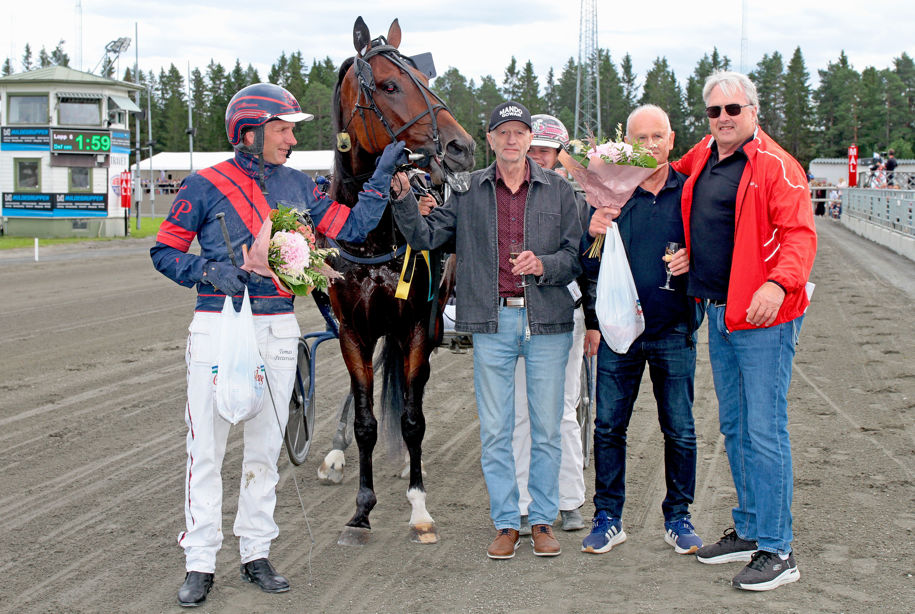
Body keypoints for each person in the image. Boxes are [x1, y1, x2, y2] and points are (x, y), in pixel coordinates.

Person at [150, 82, 407, 607]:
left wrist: (380, 176)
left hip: (279, 328)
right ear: (250, 132)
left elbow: (352, 227)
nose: (292, 138)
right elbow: (164, 251)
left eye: (292, 129)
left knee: (266, 449)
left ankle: (256, 552)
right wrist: (211, 271)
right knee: (206, 451)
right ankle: (200, 561)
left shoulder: (299, 185)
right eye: (283, 129)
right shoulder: (203, 184)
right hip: (218, 325)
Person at [390, 101, 582, 559]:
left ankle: (542, 521)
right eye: (503, 132)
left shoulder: (559, 190)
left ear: (530, 139)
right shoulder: (467, 191)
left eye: (519, 132)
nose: (512, 140)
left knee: (547, 429)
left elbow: (575, 257)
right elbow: (425, 236)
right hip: (493, 323)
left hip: (547, 322)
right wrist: (402, 199)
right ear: (491, 139)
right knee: (496, 430)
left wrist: (544, 264)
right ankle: (506, 523)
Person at [672, 71, 816, 591]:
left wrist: (778, 284)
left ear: (753, 111)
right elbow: (658, 172)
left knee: (764, 430)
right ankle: (752, 529)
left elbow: (800, 235)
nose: (724, 118)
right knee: (735, 427)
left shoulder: (776, 165)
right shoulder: (704, 155)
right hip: (720, 312)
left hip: (764, 318)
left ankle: (779, 550)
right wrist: (603, 165)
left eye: (734, 109)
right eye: (714, 111)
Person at [578, 104, 704, 557]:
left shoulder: (690, 192)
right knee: (609, 427)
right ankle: (608, 517)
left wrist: (694, 260)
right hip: (620, 333)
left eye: (657, 137)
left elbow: (717, 253)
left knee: (680, 429)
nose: (650, 145)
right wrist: (591, 232)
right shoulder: (611, 194)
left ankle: (679, 517)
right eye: (640, 139)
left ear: (671, 141)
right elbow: (585, 264)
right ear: (627, 145)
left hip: (673, 329)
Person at [513, 114, 587, 535]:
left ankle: (569, 499)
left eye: (545, 151)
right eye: (533, 149)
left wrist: (593, 323)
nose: (537, 157)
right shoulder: (507, 194)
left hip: (563, 313)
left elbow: (586, 263)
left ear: (559, 156)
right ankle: (525, 504)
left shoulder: (574, 199)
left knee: (562, 409)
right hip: (518, 314)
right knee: (521, 411)